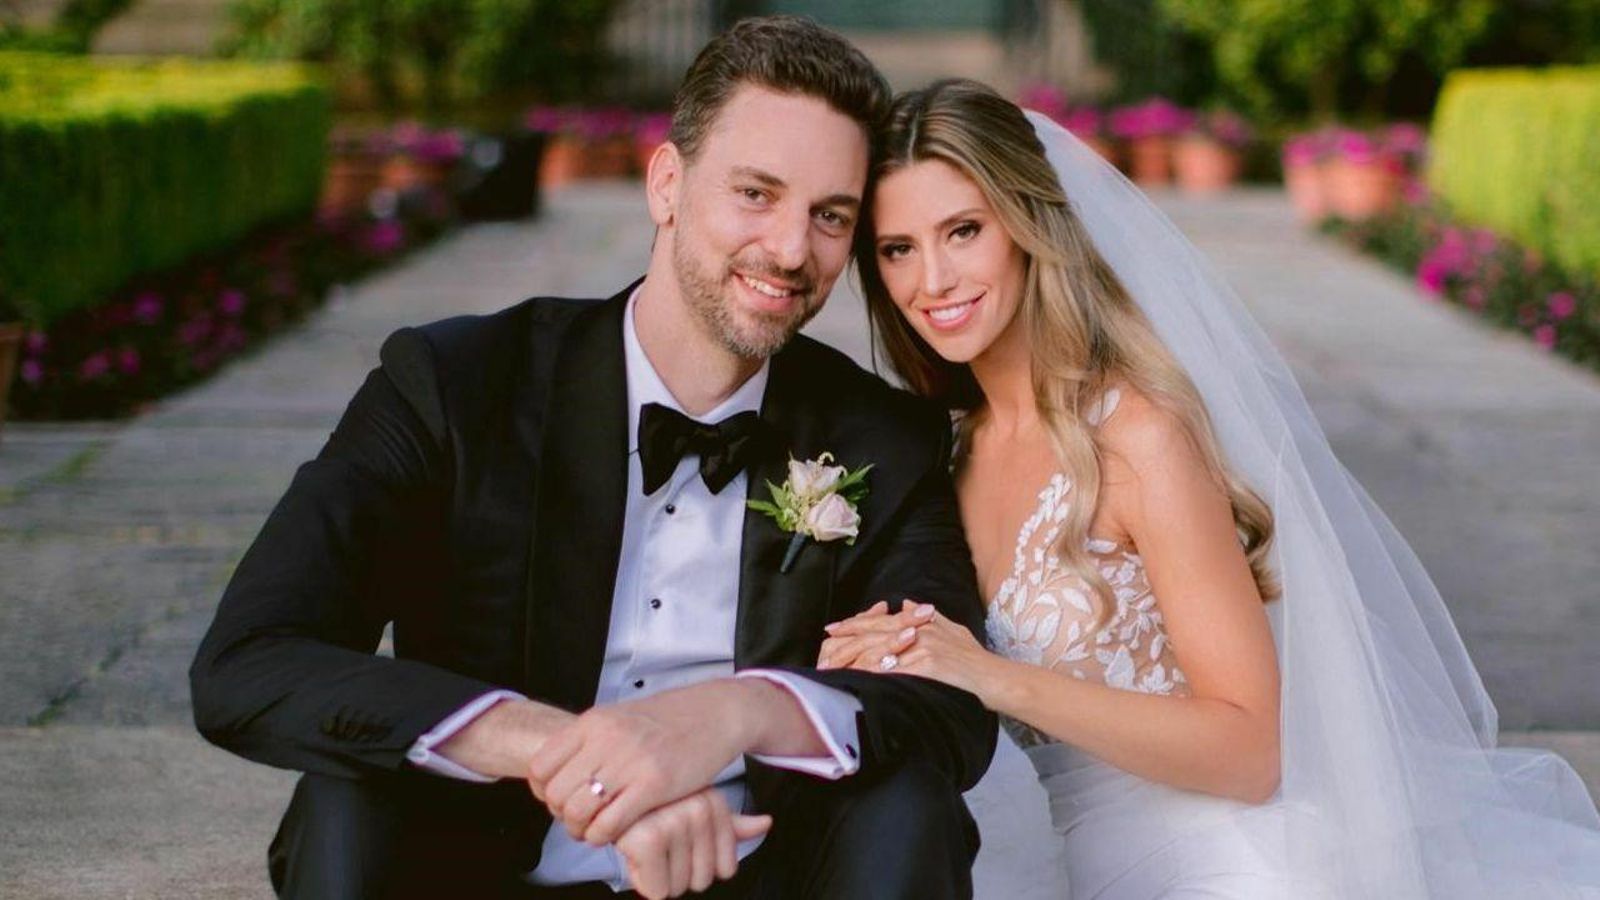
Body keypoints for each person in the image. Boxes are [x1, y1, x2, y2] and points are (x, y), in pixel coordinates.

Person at [189, 20, 996, 900]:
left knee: (912, 804)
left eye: (830, 216)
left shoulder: (881, 435)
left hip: (755, 867)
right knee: (341, 804)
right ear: (666, 184)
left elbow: (951, 709)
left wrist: (727, 715)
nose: (793, 249)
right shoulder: (456, 387)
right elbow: (250, 660)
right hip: (487, 859)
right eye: (756, 193)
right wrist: (571, 756)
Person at [823, 78, 1600, 898]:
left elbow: (1251, 749)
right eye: (897, 248)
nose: (933, 279)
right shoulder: (943, 453)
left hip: (1218, 858)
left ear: (1026, 226)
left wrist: (991, 674)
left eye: (963, 230)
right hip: (1052, 852)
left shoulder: (1136, 436)